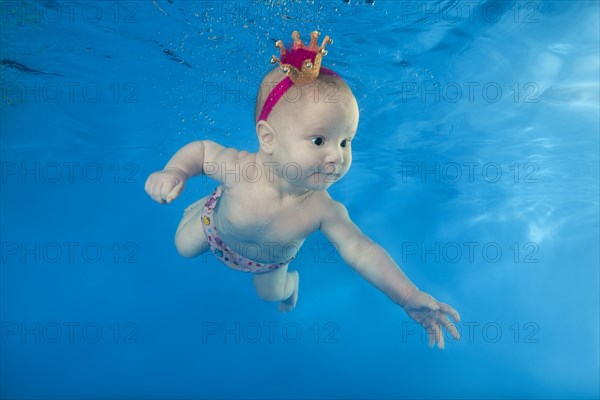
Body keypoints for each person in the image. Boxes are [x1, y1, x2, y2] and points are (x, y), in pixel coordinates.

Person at [145, 31, 460, 349]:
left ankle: (292, 283)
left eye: (345, 141)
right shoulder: (239, 168)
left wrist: (406, 295)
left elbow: (361, 250)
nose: (337, 156)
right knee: (182, 246)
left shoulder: (323, 209)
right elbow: (201, 151)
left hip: (269, 263)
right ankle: (204, 205)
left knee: (270, 294)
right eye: (319, 140)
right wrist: (175, 171)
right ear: (268, 139)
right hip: (216, 229)